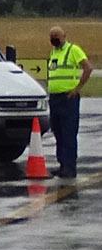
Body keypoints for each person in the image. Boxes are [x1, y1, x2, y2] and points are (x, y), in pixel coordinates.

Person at [45, 25, 90, 181]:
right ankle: (63, 164)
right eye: (52, 36)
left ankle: (70, 168)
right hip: (55, 98)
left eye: (56, 36)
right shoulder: (53, 53)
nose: (54, 39)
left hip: (68, 99)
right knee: (58, 132)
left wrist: (77, 89)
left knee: (69, 133)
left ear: (64, 36)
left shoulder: (73, 50)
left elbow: (88, 68)